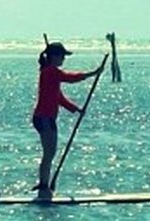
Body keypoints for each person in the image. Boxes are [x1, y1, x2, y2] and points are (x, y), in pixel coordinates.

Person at [32, 41, 101, 201]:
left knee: (51, 153)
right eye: (62, 56)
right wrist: (92, 74)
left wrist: (76, 109)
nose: (63, 59)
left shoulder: (51, 73)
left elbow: (59, 98)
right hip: (43, 118)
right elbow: (69, 78)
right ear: (54, 56)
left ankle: (45, 185)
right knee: (48, 154)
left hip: (47, 118)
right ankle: (43, 188)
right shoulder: (50, 72)